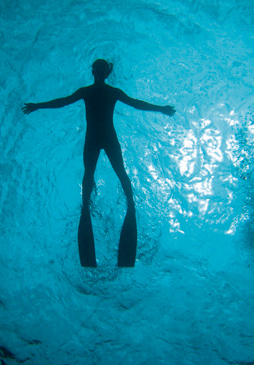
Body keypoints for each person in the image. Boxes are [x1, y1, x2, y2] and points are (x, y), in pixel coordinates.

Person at [23, 59, 175, 267]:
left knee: (110, 172)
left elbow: (136, 103)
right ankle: (96, 204)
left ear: (101, 72)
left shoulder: (105, 92)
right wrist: (38, 105)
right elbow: (63, 101)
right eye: (98, 69)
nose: (99, 72)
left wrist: (160, 108)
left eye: (101, 69)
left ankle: (120, 203)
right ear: (96, 71)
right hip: (99, 138)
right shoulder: (95, 92)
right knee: (96, 173)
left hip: (98, 137)